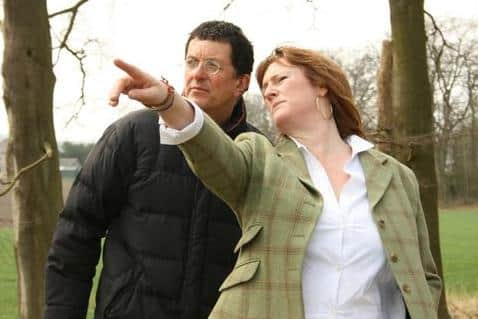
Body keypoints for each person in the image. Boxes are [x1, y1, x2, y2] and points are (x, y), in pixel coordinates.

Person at [110, 45, 442, 319]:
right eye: (265, 86)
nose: (269, 90)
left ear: (321, 84)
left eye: (280, 78)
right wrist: (168, 102)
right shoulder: (259, 159)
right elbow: (212, 152)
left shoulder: (398, 177)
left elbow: (423, 275)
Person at [44, 21, 260, 319]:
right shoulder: (133, 135)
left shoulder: (257, 154)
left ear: (242, 82)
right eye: (192, 62)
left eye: (213, 65)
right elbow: (76, 233)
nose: (197, 73)